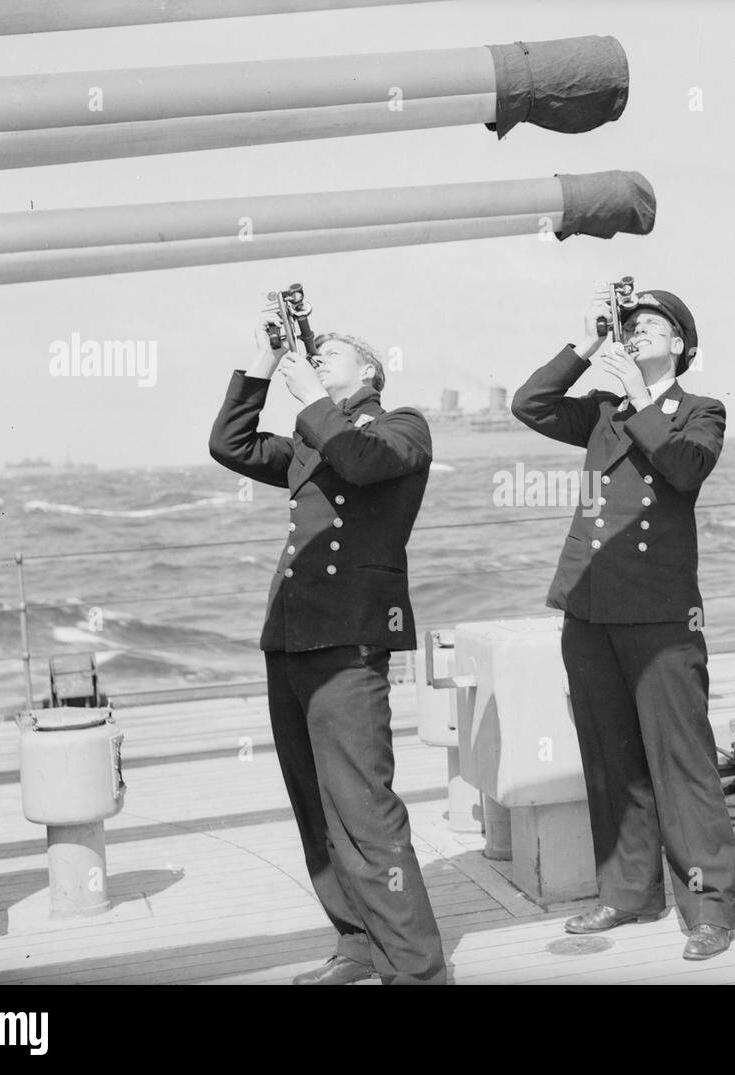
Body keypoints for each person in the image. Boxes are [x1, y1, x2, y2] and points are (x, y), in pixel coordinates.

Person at [208, 323, 446, 984]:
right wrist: (268, 354)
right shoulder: (312, 440)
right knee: (315, 808)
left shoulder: (403, 425)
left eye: (331, 355)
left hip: (349, 641)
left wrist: (312, 394)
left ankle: (419, 970)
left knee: (364, 812)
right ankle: (358, 941)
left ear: (370, 372)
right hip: (289, 639)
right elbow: (228, 442)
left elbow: (364, 460)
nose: (317, 361)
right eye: (314, 356)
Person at [511, 286, 735, 960]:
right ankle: (630, 891)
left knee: (682, 761)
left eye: (650, 325)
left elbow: (685, 467)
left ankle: (709, 909)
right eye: (628, 325)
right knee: (610, 758)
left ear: (681, 343)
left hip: (660, 611)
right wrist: (585, 344)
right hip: (589, 606)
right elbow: (531, 404)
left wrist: (640, 398)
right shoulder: (602, 410)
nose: (635, 333)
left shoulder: (700, 410)